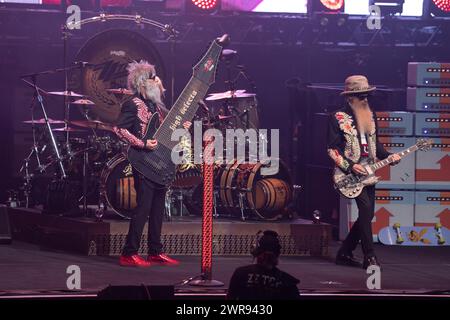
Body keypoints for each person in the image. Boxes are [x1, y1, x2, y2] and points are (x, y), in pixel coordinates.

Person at [113, 60, 190, 267]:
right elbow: (119, 129)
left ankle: (155, 251)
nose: (157, 81)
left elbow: (166, 134)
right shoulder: (132, 104)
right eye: (152, 78)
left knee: (157, 209)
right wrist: (142, 143)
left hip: (160, 162)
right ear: (142, 83)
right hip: (143, 161)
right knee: (143, 208)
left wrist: (182, 126)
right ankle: (129, 253)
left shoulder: (156, 106)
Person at [327, 75, 401, 269]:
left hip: (370, 171)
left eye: (367, 95)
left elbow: (375, 143)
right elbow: (332, 149)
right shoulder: (337, 117)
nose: (365, 99)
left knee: (367, 215)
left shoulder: (370, 114)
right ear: (350, 97)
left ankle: (345, 252)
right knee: (366, 211)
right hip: (350, 173)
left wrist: (389, 156)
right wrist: (351, 166)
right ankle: (370, 256)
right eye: (361, 96)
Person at [227, 230, 300, 300]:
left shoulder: (240, 273)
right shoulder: (287, 281)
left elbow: (230, 297)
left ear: (257, 252)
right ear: (277, 254)